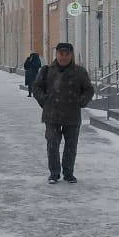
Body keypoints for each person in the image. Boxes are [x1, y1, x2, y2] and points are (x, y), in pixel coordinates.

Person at [31, 42, 95, 184]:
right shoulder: (47, 71)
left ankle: (68, 173)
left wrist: (81, 101)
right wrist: (44, 100)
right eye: (61, 54)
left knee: (71, 146)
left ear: (71, 55)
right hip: (52, 115)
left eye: (67, 54)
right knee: (52, 144)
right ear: (56, 54)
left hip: (72, 114)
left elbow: (89, 89)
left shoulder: (79, 72)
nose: (63, 57)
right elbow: (36, 87)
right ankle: (54, 173)